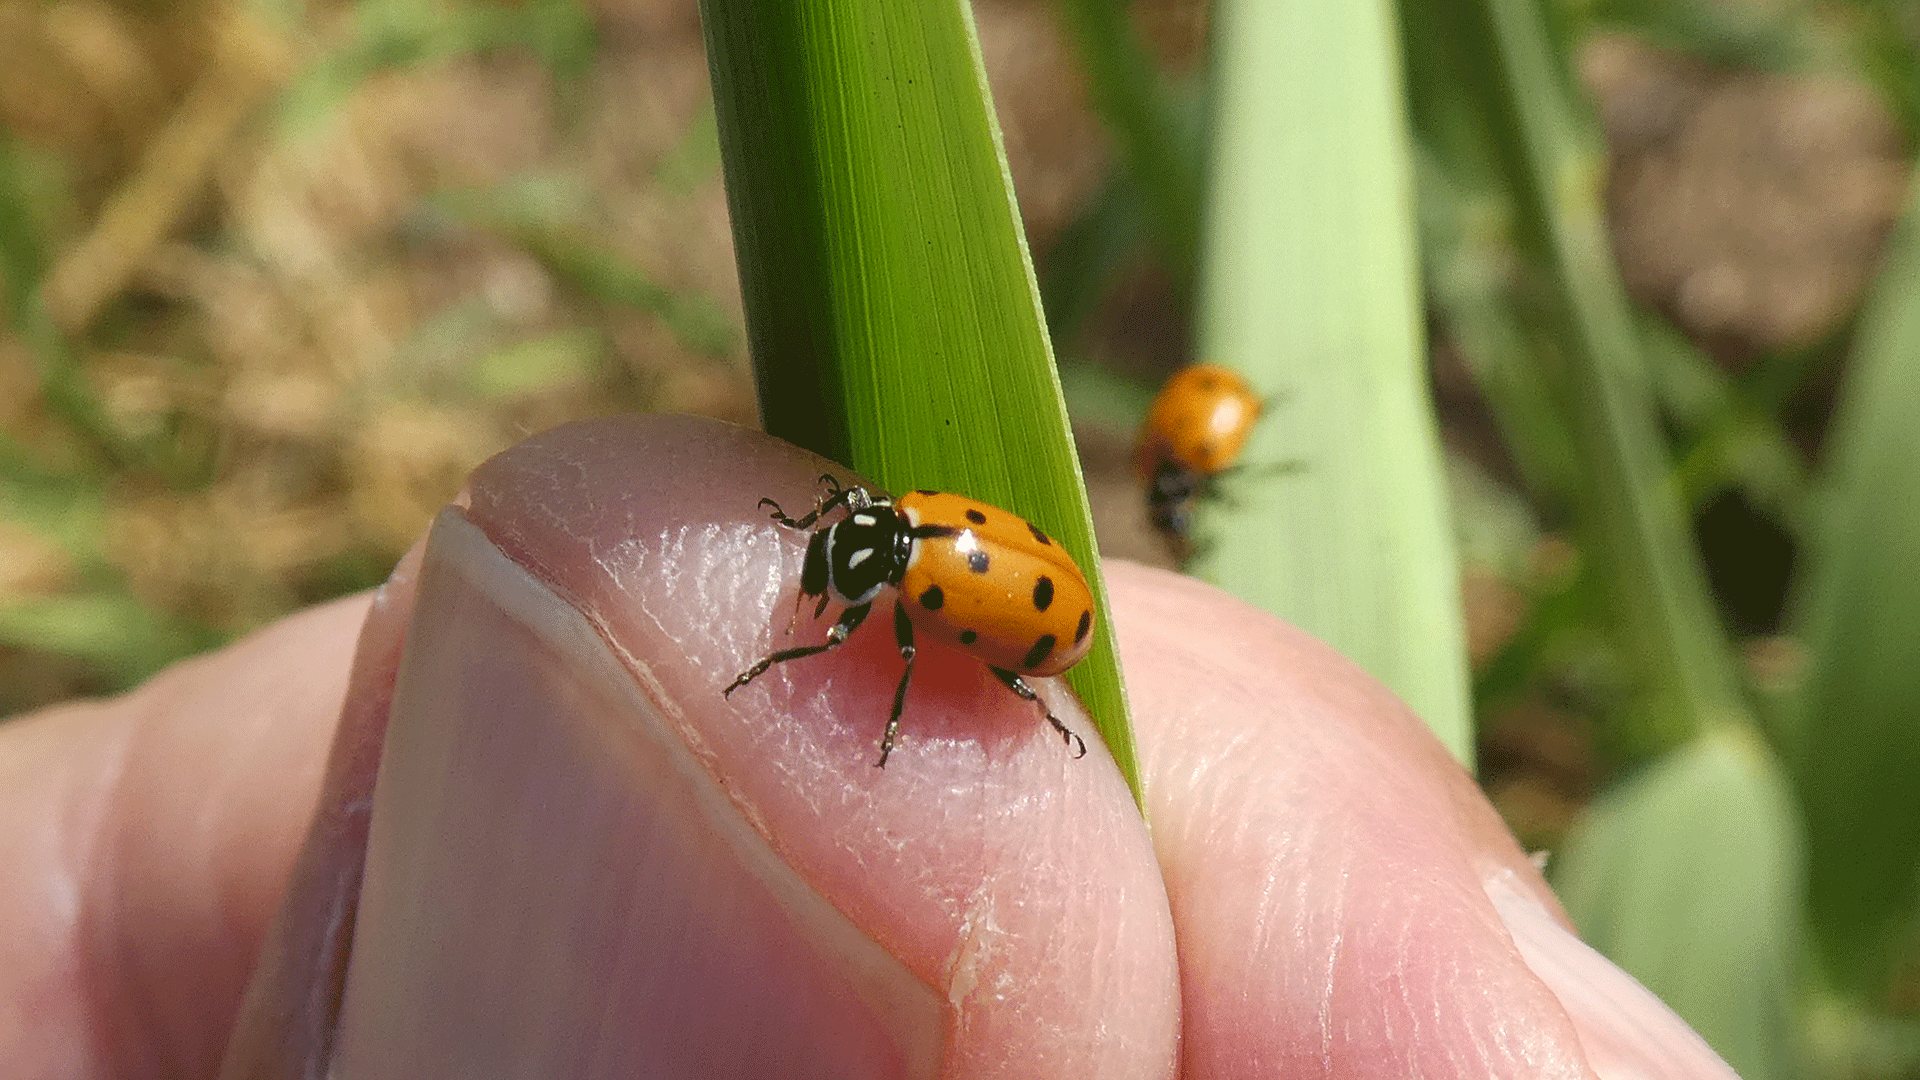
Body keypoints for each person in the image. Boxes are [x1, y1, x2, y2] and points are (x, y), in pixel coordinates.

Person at [0, 415, 1736, 1078]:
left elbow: (979, 632)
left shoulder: (911, 581)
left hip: (1020, 629)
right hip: (1019, 623)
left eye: (833, 564)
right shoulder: (904, 550)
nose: (829, 579)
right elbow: (976, 607)